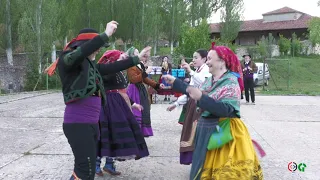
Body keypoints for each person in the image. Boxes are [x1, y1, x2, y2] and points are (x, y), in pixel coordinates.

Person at [44, 21, 147, 180]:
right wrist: (104, 35)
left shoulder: (92, 66)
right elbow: (81, 53)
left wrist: (136, 59)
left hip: (91, 124)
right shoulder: (67, 60)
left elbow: (112, 67)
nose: (99, 49)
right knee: (85, 170)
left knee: (87, 171)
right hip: (78, 124)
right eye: (96, 46)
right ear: (85, 45)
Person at [162, 43, 263, 179]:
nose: (207, 62)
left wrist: (201, 98)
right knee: (200, 170)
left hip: (223, 133)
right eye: (207, 58)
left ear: (221, 61)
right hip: (205, 131)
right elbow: (194, 92)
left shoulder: (230, 82)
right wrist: (176, 83)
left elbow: (226, 110)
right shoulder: (209, 81)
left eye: (210, 59)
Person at [95, 49, 150, 176]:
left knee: (115, 134)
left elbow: (121, 91)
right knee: (104, 134)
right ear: (112, 60)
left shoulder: (118, 72)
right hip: (106, 103)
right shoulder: (105, 70)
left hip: (117, 104)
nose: (122, 61)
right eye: (120, 58)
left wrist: (133, 103)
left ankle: (109, 164)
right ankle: (96, 164)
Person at [166, 49, 211, 165]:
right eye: (193, 57)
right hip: (193, 106)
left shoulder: (206, 70)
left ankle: (203, 162)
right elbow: (189, 91)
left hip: (202, 107)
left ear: (204, 59)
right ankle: (197, 161)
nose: (194, 60)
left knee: (199, 135)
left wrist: (190, 71)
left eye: (196, 57)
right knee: (191, 134)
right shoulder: (197, 70)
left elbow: (203, 84)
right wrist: (176, 103)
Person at [126, 47, 165, 137]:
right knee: (136, 111)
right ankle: (135, 131)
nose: (139, 54)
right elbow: (133, 79)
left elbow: (145, 79)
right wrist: (146, 72)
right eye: (136, 53)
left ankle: (142, 132)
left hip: (141, 89)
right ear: (132, 55)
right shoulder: (130, 66)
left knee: (145, 110)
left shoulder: (139, 65)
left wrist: (157, 85)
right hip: (134, 90)